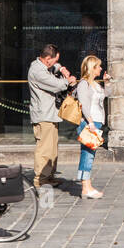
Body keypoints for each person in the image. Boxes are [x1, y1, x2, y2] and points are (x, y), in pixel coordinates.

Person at [29, 43, 76, 189]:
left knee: (52, 148)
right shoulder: (38, 71)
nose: (55, 63)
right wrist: (68, 81)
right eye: (54, 60)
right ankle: (40, 179)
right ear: (48, 58)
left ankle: (48, 176)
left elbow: (55, 67)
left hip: (50, 114)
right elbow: (57, 85)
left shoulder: (44, 66)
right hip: (44, 116)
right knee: (44, 149)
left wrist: (61, 68)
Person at [74, 55, 106, 200]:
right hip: (89, 123)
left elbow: (105, 96)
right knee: (87, 155)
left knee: (90, 154)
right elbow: (84, 105)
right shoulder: (84, 84)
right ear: (92, 68)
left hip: (96, 122)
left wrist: (107, 83)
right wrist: (91, 122)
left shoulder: (96, 84)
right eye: (98, 66)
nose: (100, 68)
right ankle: (86, 187)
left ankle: (87, 185)